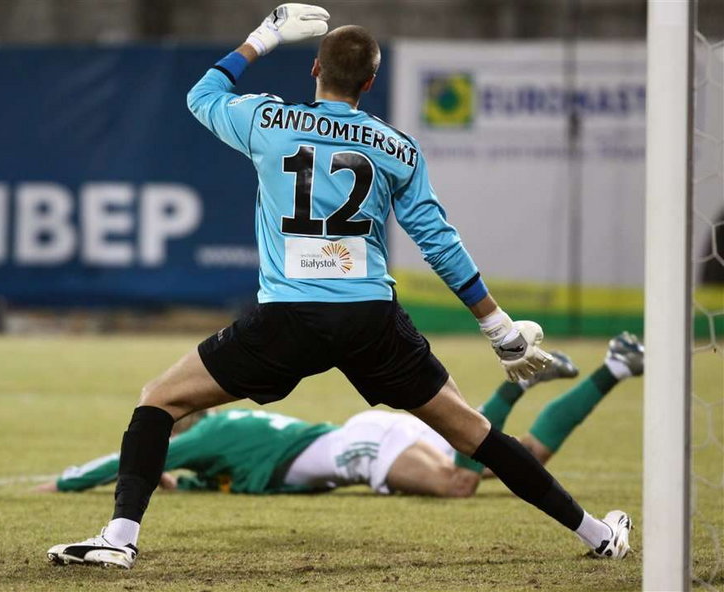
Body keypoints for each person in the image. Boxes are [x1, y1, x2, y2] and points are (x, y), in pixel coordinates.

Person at [47, 5, 631, 569]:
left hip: (288, 316)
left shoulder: (268, 122)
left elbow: (201, 95)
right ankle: (599, 534)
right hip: (370, 317)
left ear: (315, 70)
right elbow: (439, 242)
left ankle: (120, 539)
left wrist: (264, 35)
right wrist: (498, 327)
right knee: (474, 434)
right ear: (371, 81)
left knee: (159, 400)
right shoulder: (398, 148)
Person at [37, 334, 642, 500]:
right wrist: (183, 480)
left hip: (362, 449)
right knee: (513, 461)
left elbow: (129, 458)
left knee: (460, 481)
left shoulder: (206, 432)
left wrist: (66, 479)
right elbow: (196, 473)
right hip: (367, 434)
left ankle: (521, 386)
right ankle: (612, 369)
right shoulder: (219, 442)